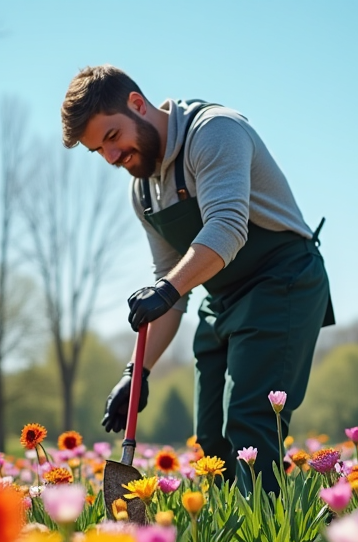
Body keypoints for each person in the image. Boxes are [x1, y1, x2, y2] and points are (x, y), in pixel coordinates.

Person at [62, 65, 333, 494]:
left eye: (112, 137)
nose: (112, 158)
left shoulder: (214, 132)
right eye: (100, 150)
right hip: (220, 294)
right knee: (210, 437)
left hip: (281, 279)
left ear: (137, 104)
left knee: (249, 420)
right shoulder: (144, 192)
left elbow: (227, 227)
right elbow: (168, 285)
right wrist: (138, 372)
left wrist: (168, 288)